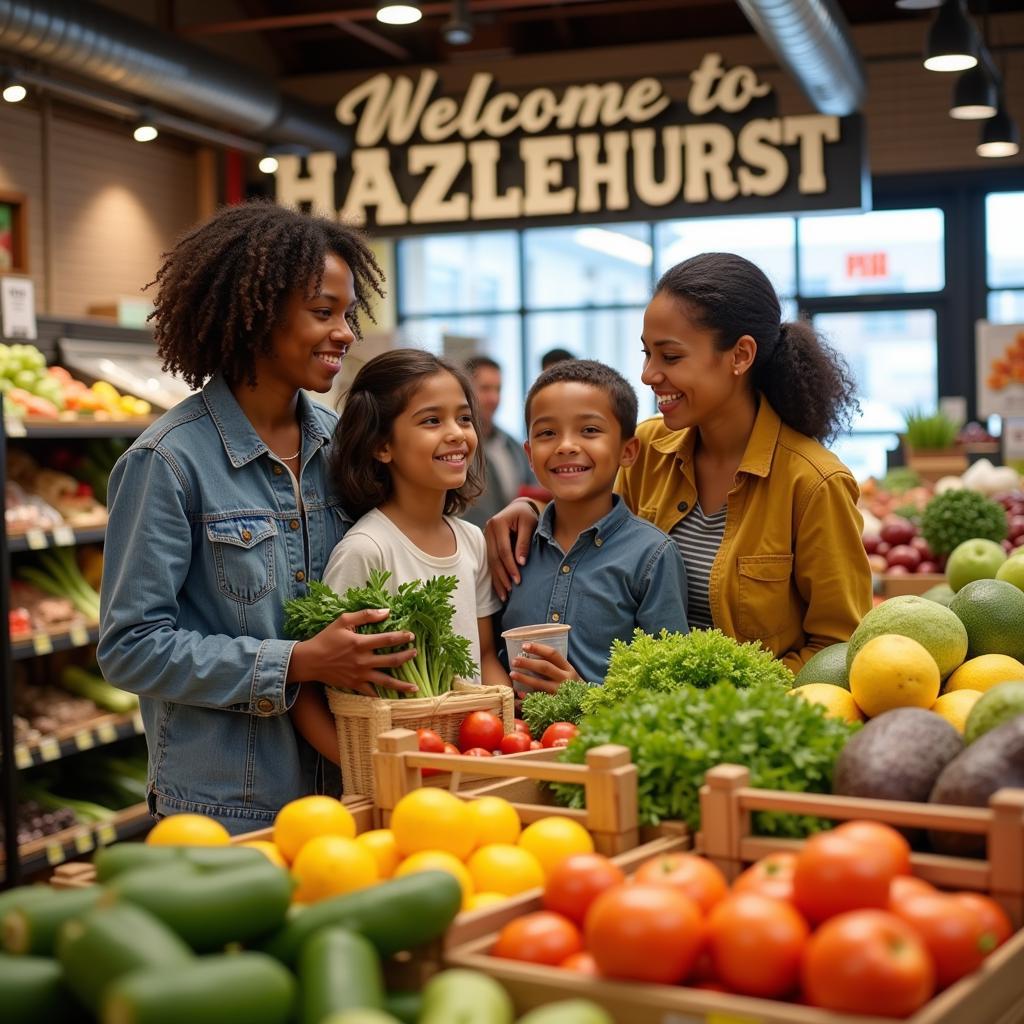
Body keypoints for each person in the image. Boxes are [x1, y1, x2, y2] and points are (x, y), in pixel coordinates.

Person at [97, 201, 419, 834]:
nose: (346, 333)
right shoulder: (167, 462)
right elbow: (130, 649)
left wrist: (513, 517)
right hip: (224, 807)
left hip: (346, 788)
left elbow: (414, 532)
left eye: (348, 314)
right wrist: (295, 661)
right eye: (323, 312)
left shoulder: (340, 444)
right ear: (258, 315)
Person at [487, 252, 872, 671]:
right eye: (647, 353)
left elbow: (838, 649)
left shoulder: (815, 482)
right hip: (632, 709)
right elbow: (597, 536)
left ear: (740, 355)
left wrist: (725, 699)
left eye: (669, 357)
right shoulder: (648, 447)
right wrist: (531, 511)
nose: (648, 374)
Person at [291, 349, 510, 762]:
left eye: (464, 418)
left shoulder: (472, 540)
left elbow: (482, 656)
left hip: (471, 760)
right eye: (431, 420)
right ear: (381, 446)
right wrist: (368, 769)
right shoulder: (367, 550)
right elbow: (311, 691)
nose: (457, 433)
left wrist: (504, 733)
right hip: (400, 769)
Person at [500, 359, 689, 693]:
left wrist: (581, 695)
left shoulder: (652, 556)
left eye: (589, 430)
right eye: (547, 433)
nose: (566, 445)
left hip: (609, 740)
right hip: (512, 742)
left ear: (628, 451)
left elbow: (671, 688)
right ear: (529, 454)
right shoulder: (513, 548)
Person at [461, 354, 533, 529]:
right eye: (485, 389)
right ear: (465, 392)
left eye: (498, 389)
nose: (494, 398)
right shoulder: (455, 448)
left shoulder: (513, 446)